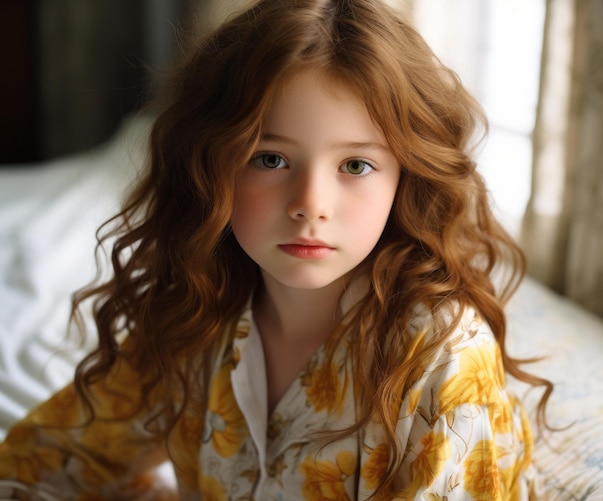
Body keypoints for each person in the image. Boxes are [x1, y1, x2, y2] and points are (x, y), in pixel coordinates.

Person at [0, 0, 553, 499]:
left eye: (355, 165)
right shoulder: (193, 311)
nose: (310, 205)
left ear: (405, 180)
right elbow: (38, 464)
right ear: (212, 167)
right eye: (270, 159)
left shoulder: (439, 357)